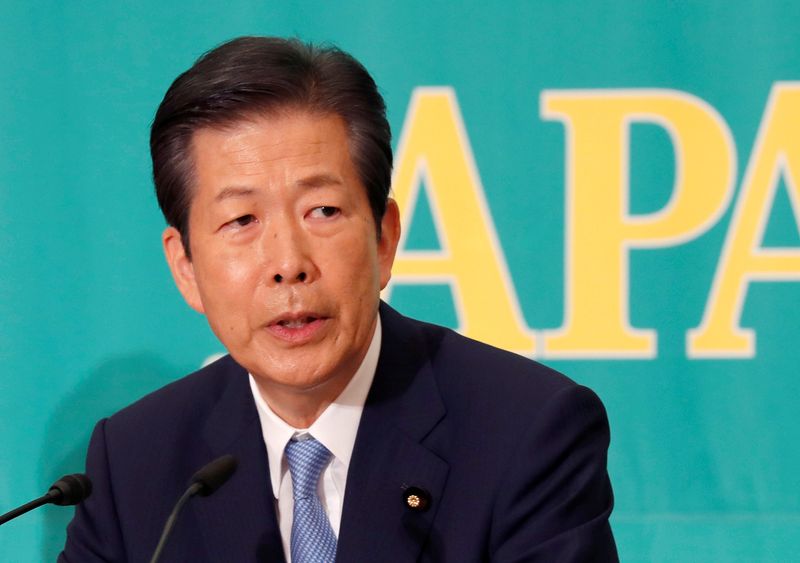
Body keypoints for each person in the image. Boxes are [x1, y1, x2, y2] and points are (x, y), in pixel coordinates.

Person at [60, 36, 618, 562]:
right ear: (185, 267)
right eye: (241, 220)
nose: (288, 264)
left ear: (384, 238)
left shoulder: (526, 434)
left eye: (322, 211)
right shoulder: (136, 464)